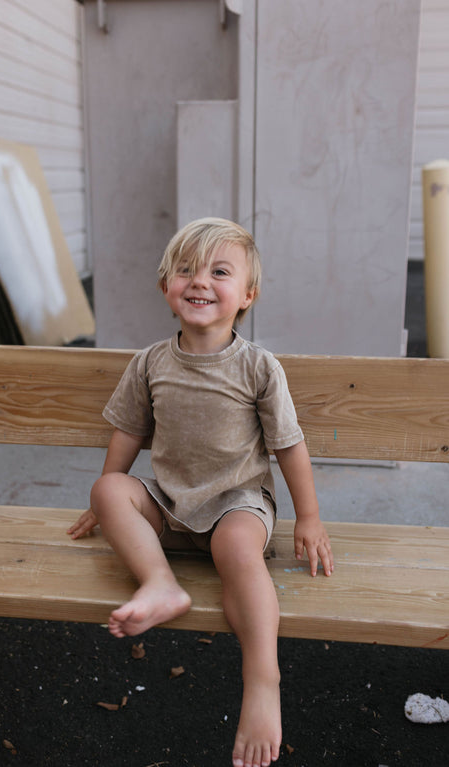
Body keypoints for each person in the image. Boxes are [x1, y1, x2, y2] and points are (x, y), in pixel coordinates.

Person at [68, 217, 334, 767]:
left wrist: (308, 517)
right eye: (184, 269)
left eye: (219, 271)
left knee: (235, 549)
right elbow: (129, 433)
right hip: (169, 502)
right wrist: (102, 502)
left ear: (247, 296)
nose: (199, 281)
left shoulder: (258, 367)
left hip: (238, 504)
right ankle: (161, 583)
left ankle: (262, 680)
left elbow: (289, 447)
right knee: (109, 488)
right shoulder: (149, 363)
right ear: (167, 286)